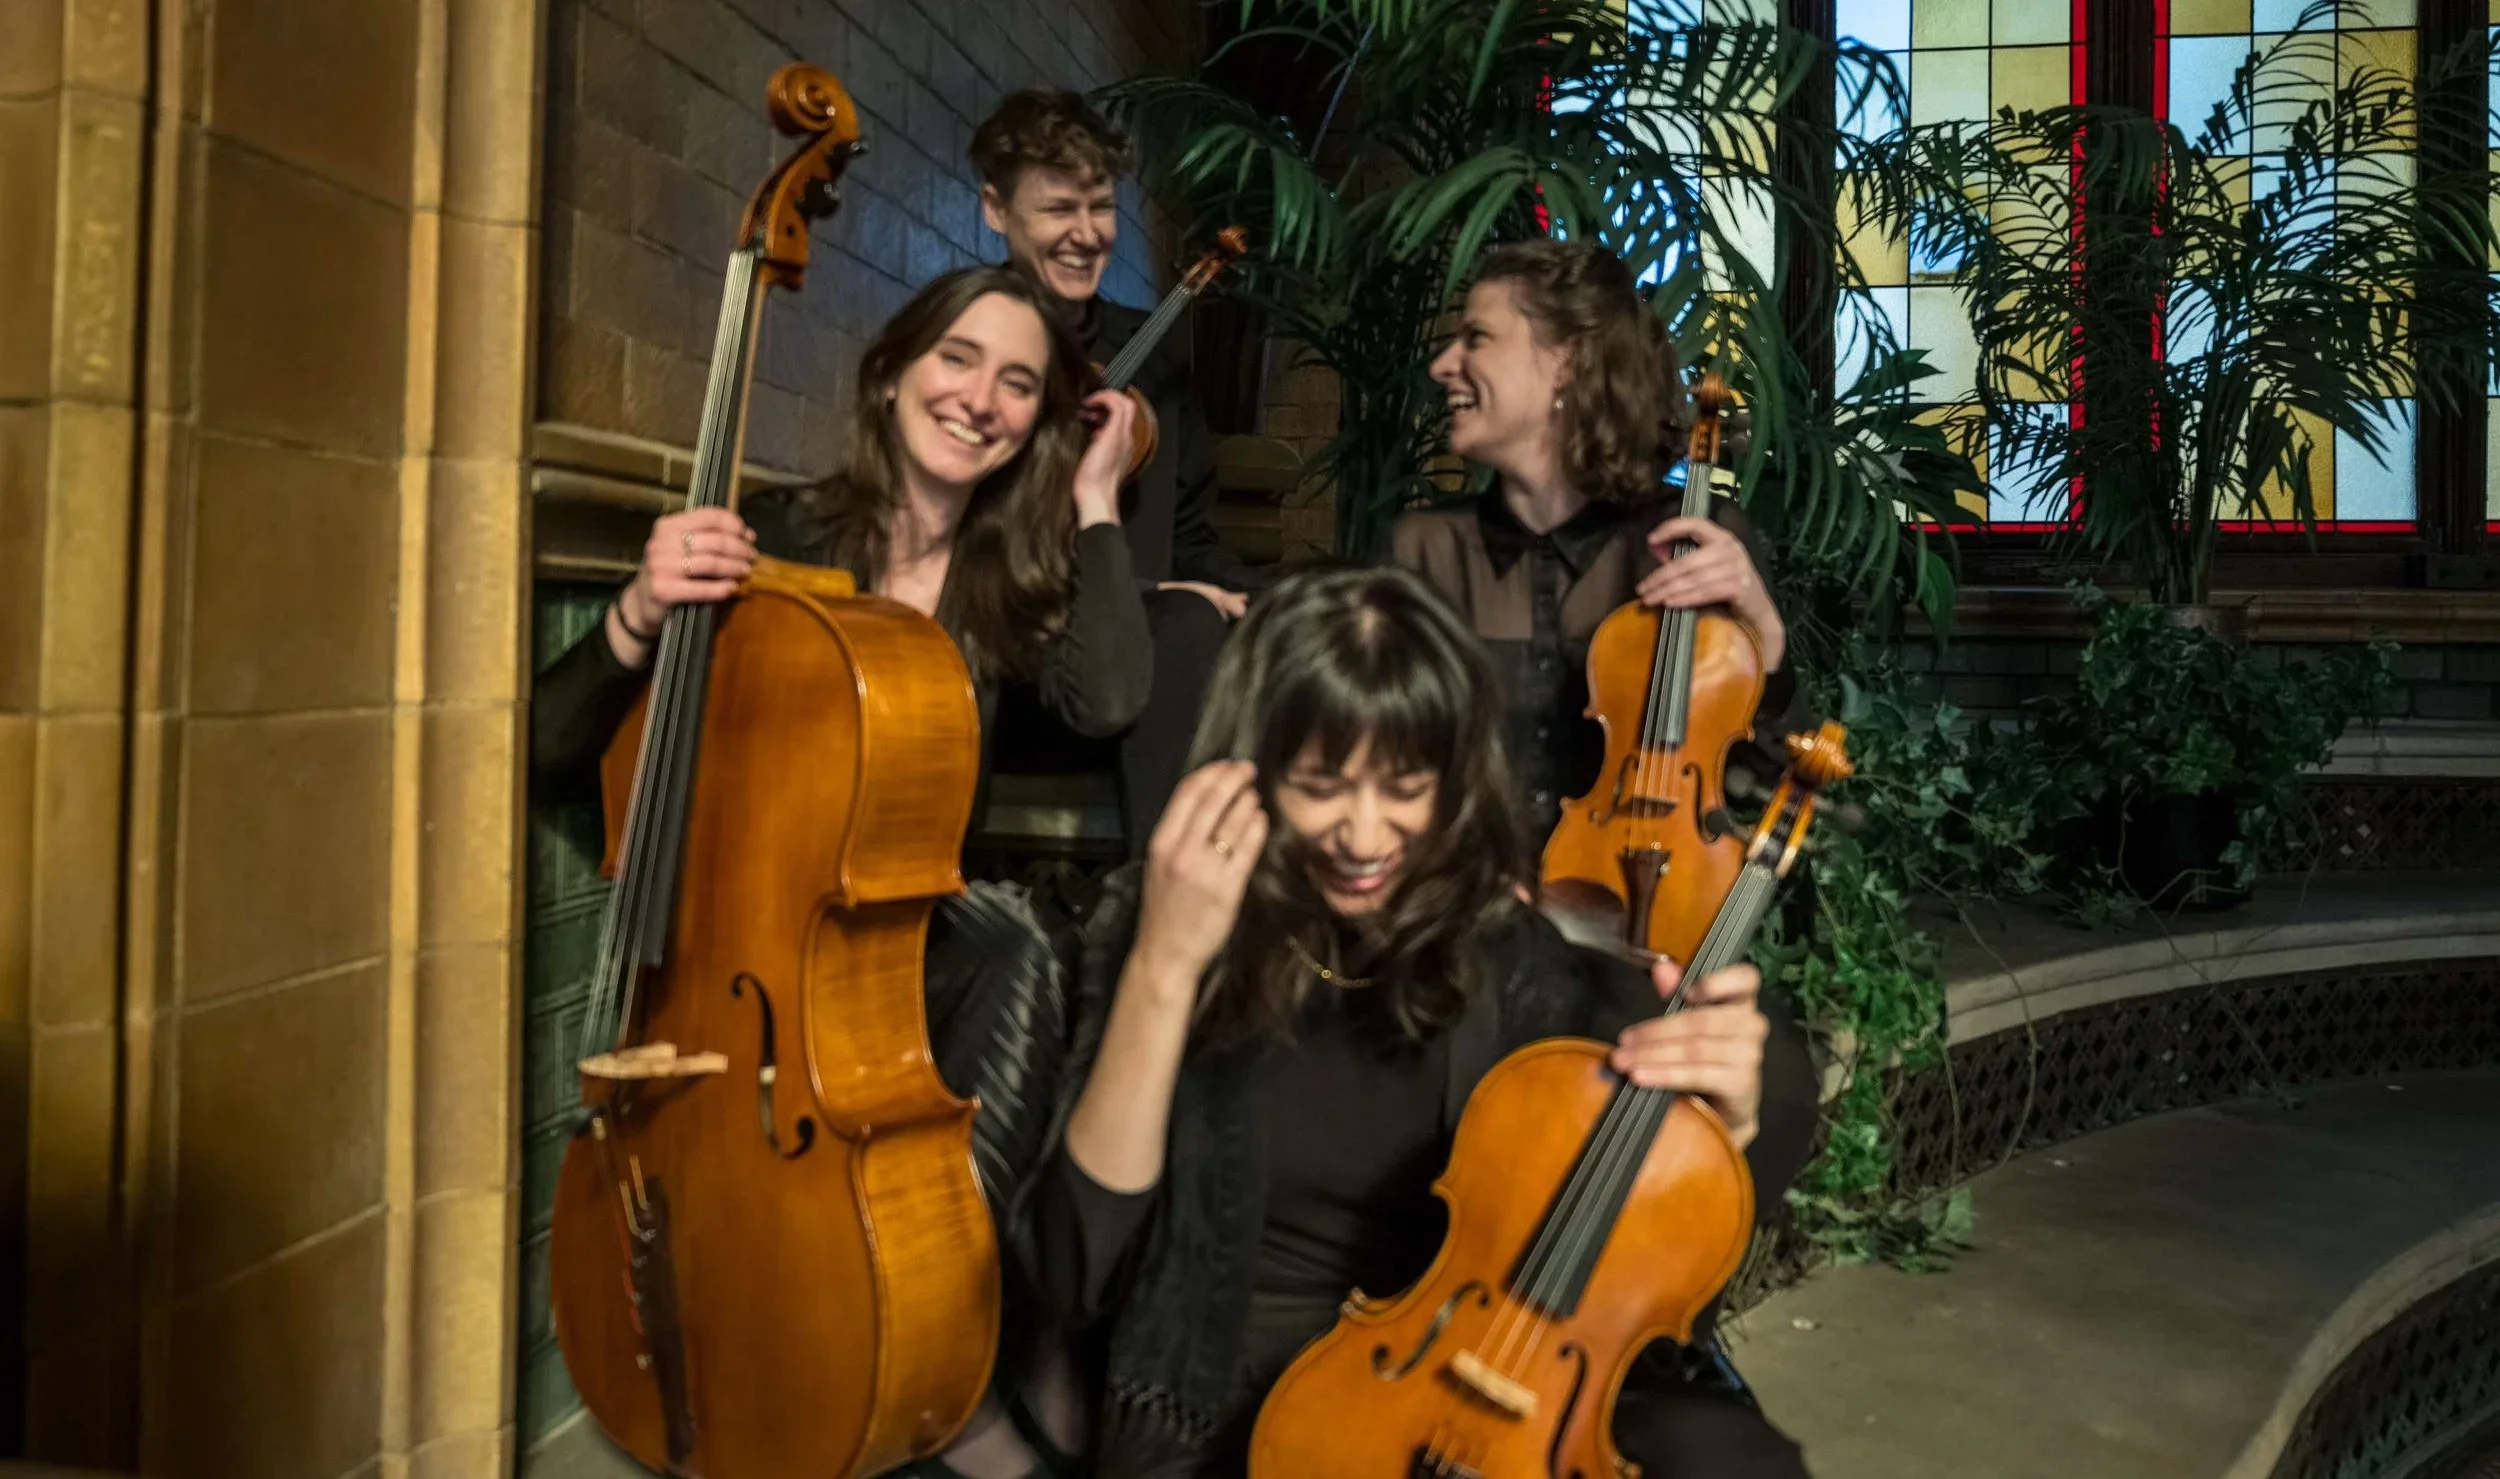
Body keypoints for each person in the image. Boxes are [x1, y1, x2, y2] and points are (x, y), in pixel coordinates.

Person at [1013, 565, 1819, 1478]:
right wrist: (1166, 965)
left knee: (1732, 1459)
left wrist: (1732, 1113)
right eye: (1322, 783)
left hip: (1444, 1389)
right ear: (1256, 772)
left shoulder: (1503, 949)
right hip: (1214, 1404)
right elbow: (1071, 1269)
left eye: (1405, 786)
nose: (1364, 835)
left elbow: (1630, 1205)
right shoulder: (1153, 917)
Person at [1393, 239, 1809, 846]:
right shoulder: (1422, 549)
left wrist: (1764, 640)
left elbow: (1771, 785)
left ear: (1566, 359)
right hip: (1461, 917)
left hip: (1632, 922)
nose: (1442, 365)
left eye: (1477, 338)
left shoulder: (1692, 539)